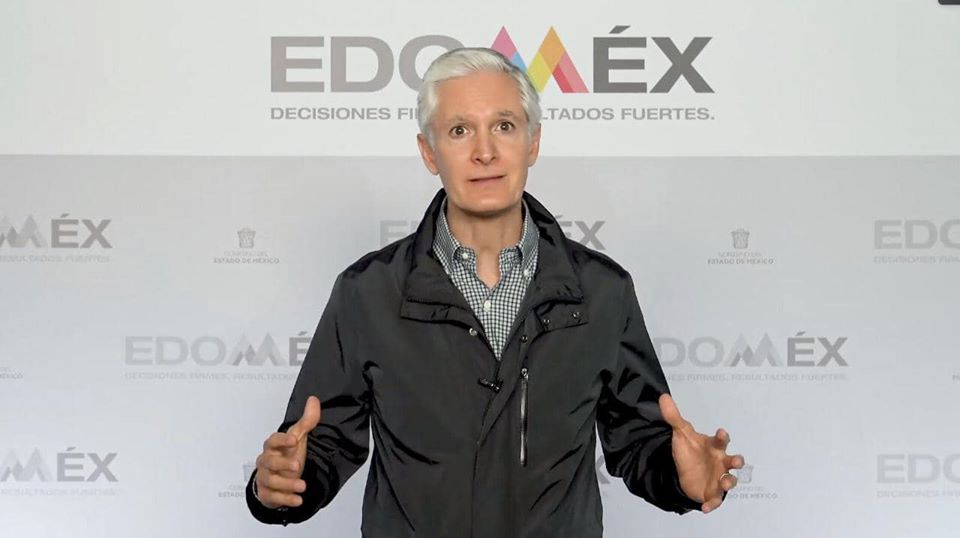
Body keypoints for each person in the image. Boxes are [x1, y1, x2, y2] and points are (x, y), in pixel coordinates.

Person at [246, 47, 745, 537]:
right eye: (459, 130)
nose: (484, 151)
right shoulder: (367, 292)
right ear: (428, 152)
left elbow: (639, 440)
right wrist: (281, 485)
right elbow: (320, 445)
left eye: (504, 126)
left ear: (533, 142)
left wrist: (680, 478)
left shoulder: (602, 290)